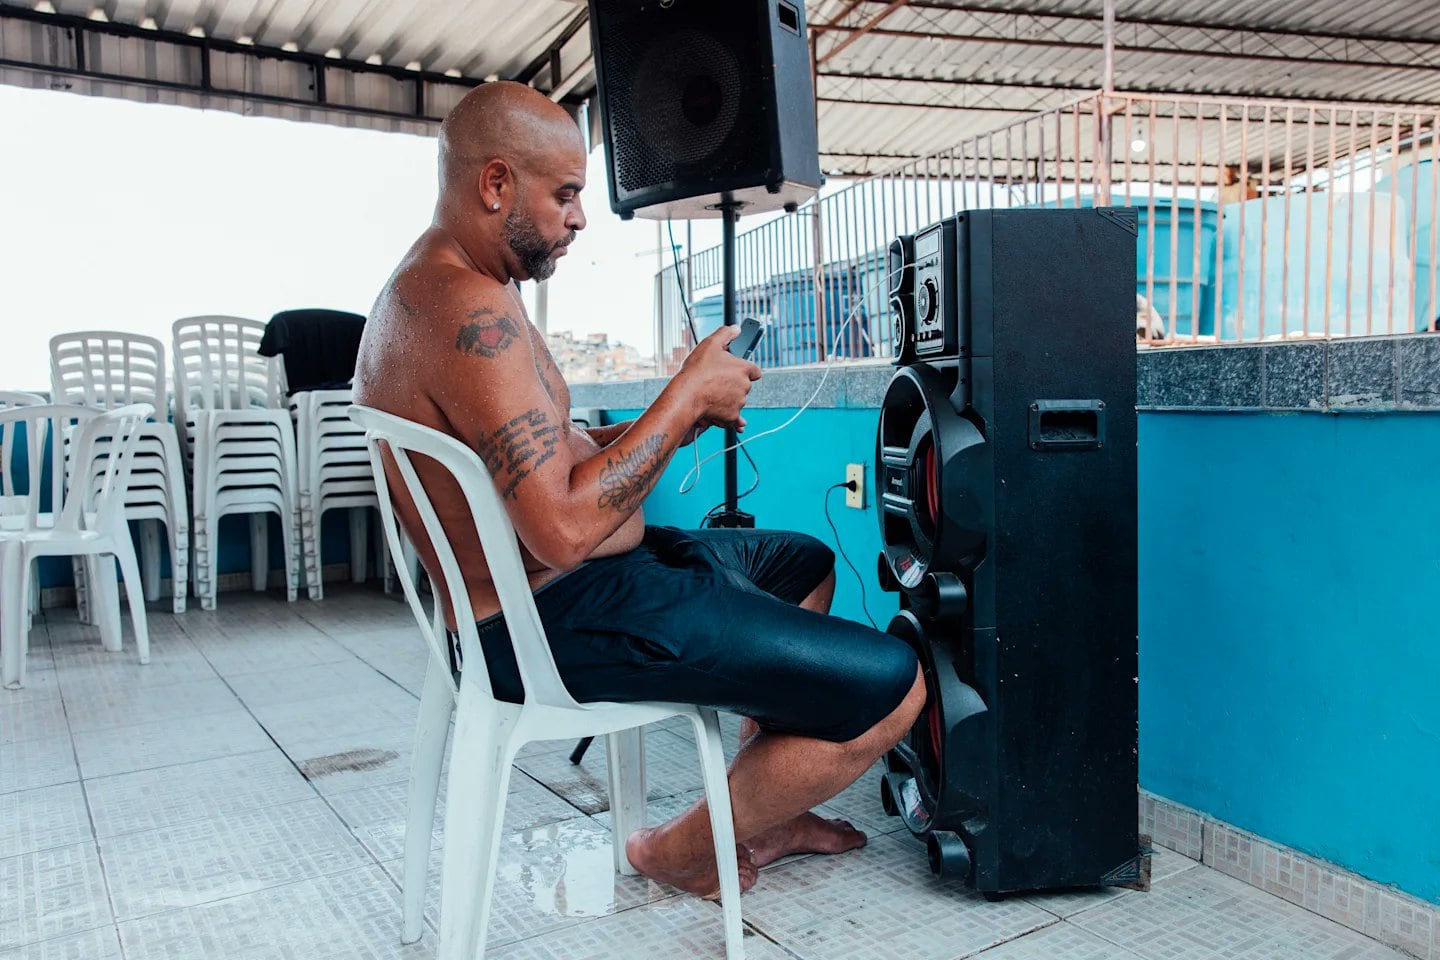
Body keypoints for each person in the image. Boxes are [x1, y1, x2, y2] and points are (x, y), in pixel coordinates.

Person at [354, 81, 924, 899]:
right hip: (543, 618)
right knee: (892, 688)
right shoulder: (464, 312)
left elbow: (554, 458)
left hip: (562, 592)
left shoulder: (437, 289)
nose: (580, 218)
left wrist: (674, 419)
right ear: (495, 184)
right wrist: (685, 394)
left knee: (803, 564)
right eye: (566, 194)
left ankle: (762, 810)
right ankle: (678, 848)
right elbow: (562, 529)